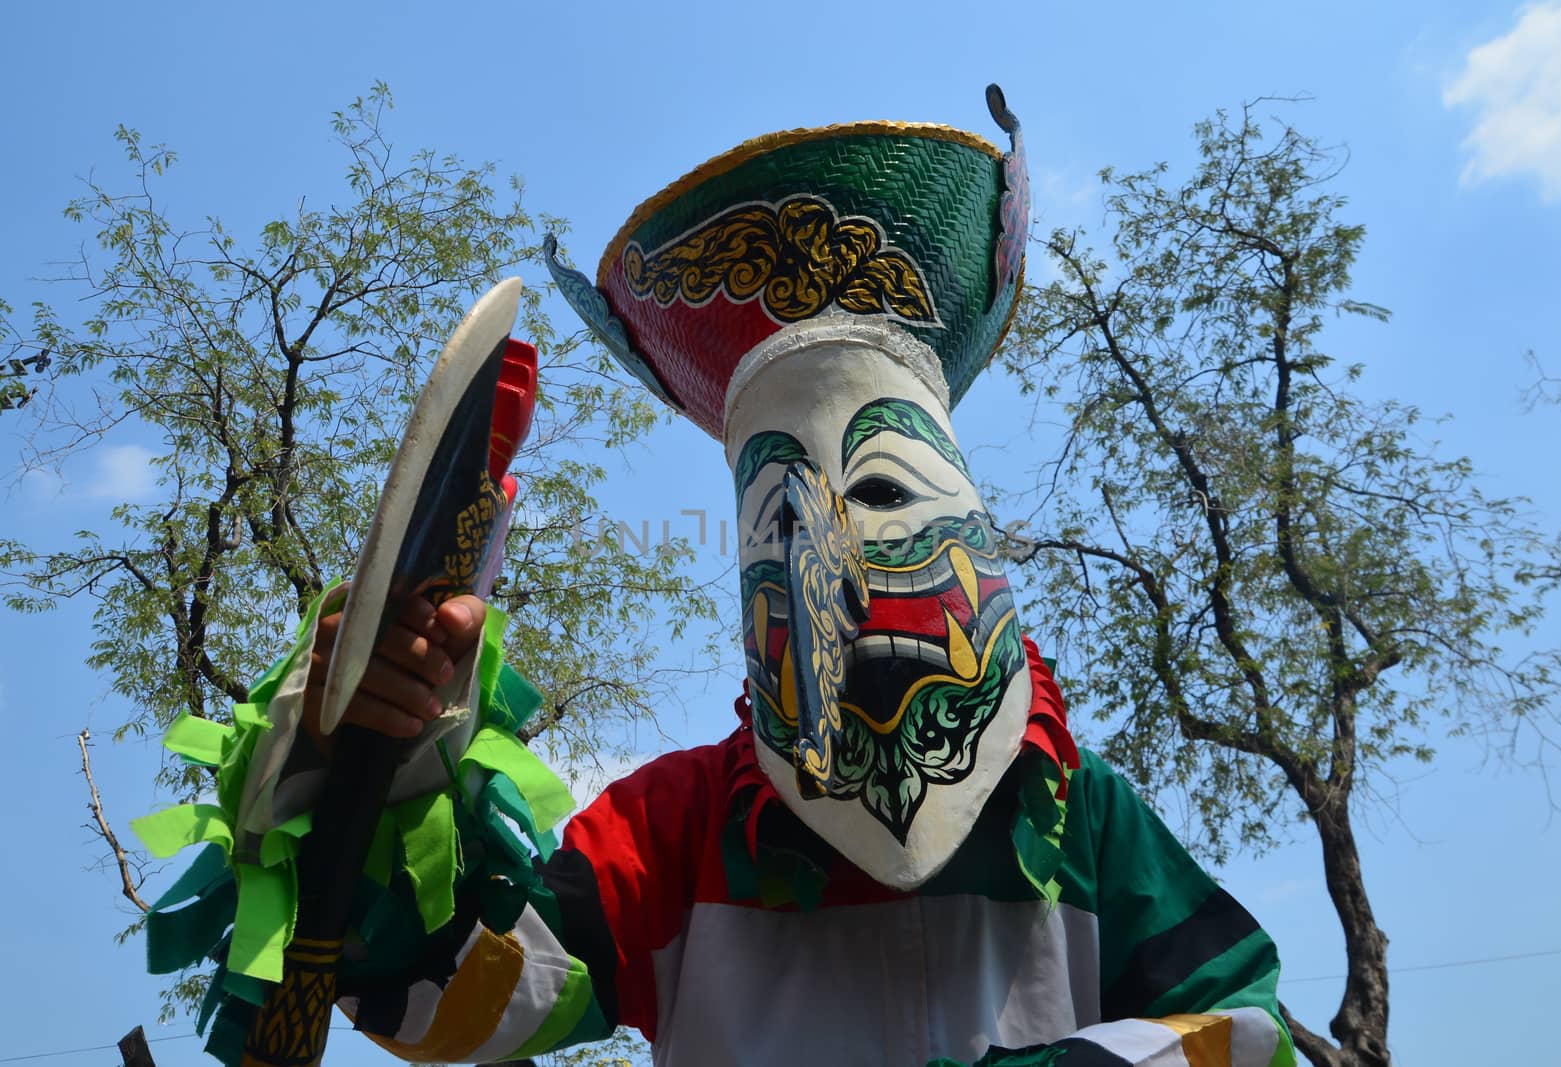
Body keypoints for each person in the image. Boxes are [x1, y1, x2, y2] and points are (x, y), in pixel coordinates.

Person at [141, 87, 1296, 1067]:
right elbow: (454, 1003)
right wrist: (378, 763)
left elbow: (1246, 1024)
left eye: (889, 497)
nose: (836, 572)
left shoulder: (1080, 818)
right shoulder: (681, 829)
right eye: (778, 525)